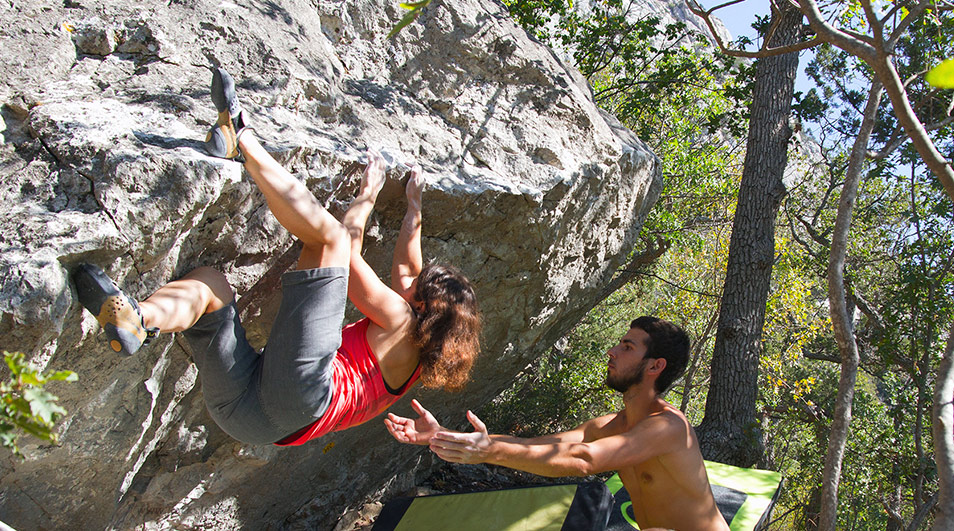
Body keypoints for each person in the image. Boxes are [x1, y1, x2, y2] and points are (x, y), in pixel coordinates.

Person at [72, 68, 482, 446]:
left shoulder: (399, 317)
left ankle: (243, 138)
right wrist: (413, 210)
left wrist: (368, 195)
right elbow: (409, 269)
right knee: (210, 285)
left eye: (418, 284)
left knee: (331, 240)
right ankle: (140, 320)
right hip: (249, 419)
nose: (407, 279)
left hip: (306, 392)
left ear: (424, 305)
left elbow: (347, 248)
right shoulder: (413, 368)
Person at [385, 316, 729, 531]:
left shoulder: (669, 428)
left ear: (655, 366)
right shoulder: (612, 425)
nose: (612, 350)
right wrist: (451, 438)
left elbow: (584, 460)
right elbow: (551, 446)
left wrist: (487, 451)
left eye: (627, 346)